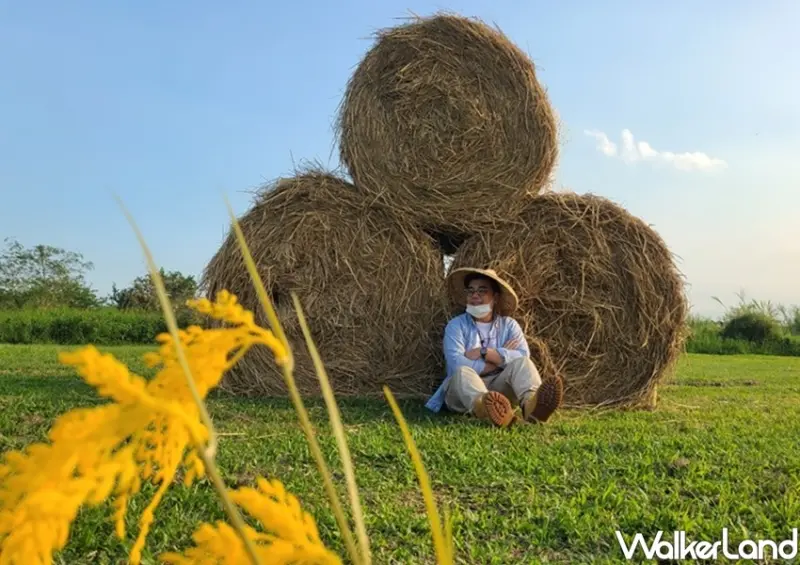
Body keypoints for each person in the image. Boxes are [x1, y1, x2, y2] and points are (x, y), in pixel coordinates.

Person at [425, 267, 564, 427]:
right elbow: (456, 363)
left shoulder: (509, 325)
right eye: (471, 291)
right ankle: (484, 407)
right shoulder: (455, 326)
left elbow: (522, 355)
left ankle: (531, 406)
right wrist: (498, 360)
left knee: (522, 364)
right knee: (463, 372)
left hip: (500, 388)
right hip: (462, 391)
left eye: (482, 291)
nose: (474, 295)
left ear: (495, 297)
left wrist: (484, 352)